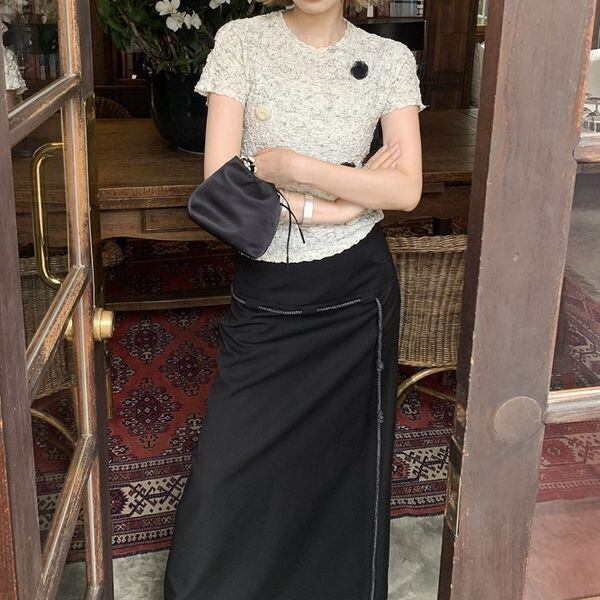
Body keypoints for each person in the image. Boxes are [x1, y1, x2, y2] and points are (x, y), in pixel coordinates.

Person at [163, 0, 425, 597]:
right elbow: (222, 189)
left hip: (358, 297)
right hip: (268, 291)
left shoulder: (389, 58)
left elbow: (405, 188)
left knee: (342, 465)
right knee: (230, 462)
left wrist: (291, 166)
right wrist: (345, 201)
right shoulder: (241, 41)